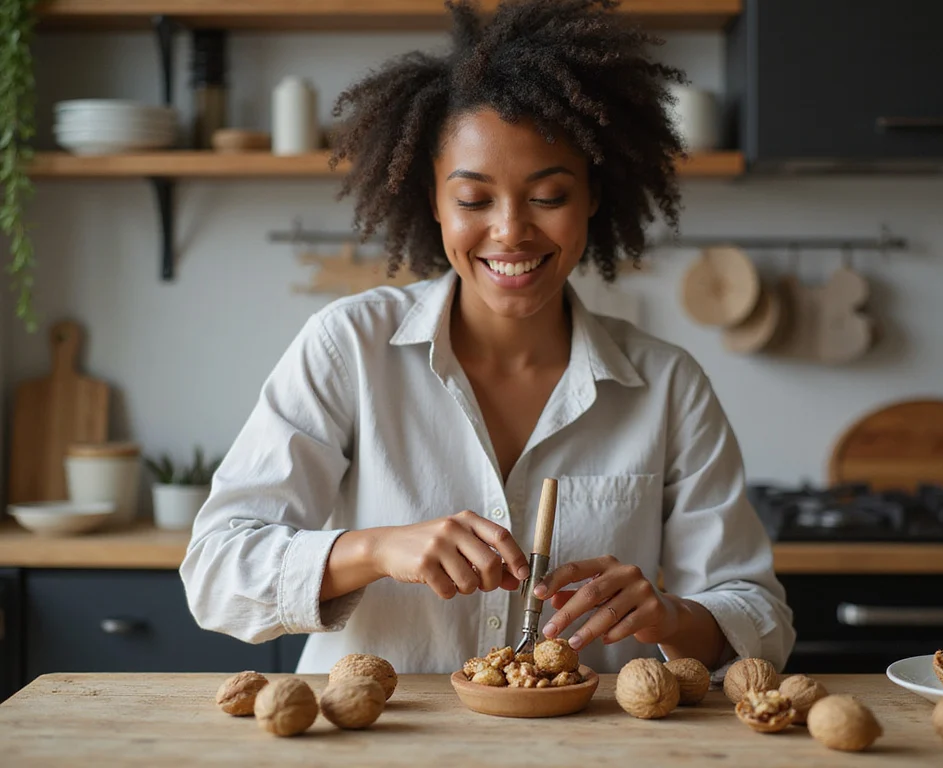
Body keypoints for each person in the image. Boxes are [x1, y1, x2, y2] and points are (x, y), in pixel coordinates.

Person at [180, 0, 795, 677]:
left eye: (548, 196)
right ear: (434, 201)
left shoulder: (668, 385)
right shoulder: (349, 347)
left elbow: (757, 613)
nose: (510, 232)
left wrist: (671, 617)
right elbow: (215, 573)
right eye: (474, 201)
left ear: (593, 194)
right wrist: (375, 550)